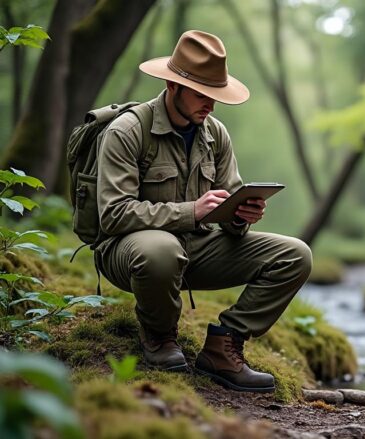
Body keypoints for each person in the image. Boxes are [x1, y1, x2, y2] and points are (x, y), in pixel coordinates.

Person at [95, 30, 312, 393]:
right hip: (131, 255)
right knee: (161, 250)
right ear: (172, 85)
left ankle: (223, 348)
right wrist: (190, 212)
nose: (210, 105)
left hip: (197, 250)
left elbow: (228, 212)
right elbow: (113, 214)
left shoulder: (216, 134)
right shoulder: (128, 131)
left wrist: (240, 216)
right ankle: (160, 338)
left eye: (216, 96)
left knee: (295, 255)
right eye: (202, 95)